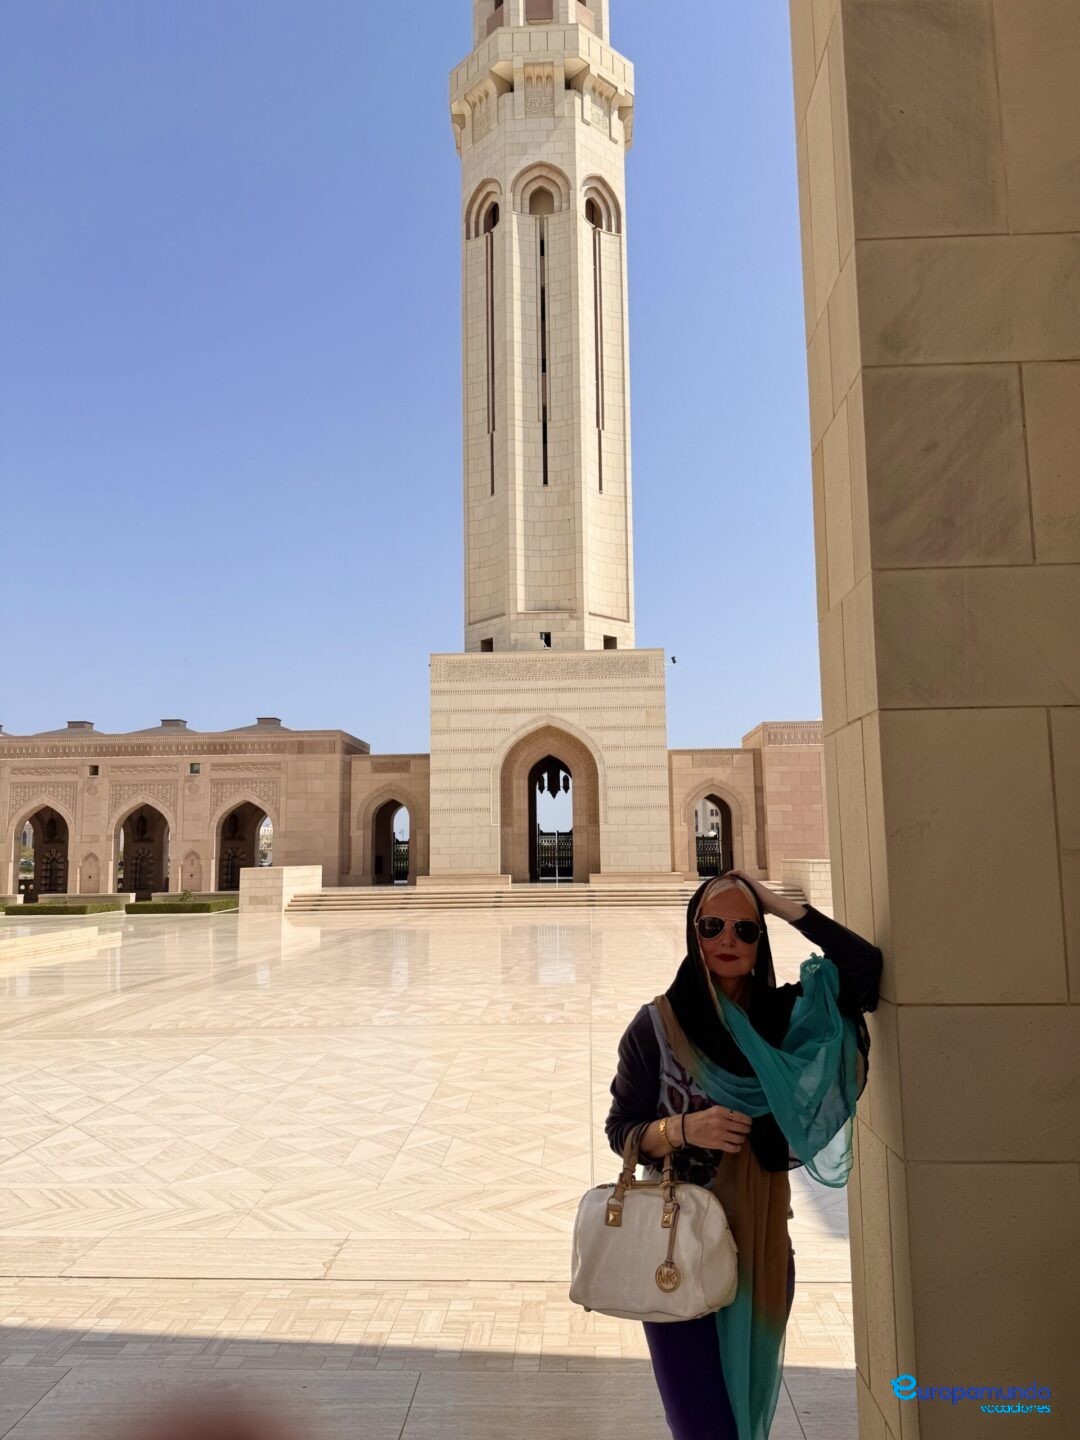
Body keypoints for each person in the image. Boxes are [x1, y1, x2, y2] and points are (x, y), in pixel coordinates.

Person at [605, 868, 883, 1440]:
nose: (728, 940)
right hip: (674, 1248)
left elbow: (862, 974)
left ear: (761, 942)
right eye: (712, 926)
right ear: (693, 935)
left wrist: (782, 907)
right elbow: (622, 1129)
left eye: (745, 929)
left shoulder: (781, 1022)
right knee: (701, 1423)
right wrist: (684, 1129)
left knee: (741, 1414)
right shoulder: (656, 1026)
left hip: (758, 1246)